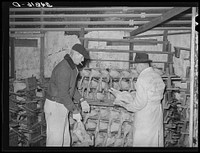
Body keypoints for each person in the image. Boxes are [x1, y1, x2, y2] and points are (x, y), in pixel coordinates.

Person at [109, 53, 165, 147]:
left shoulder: (142, 78)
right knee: (155, 141)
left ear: (141, 65)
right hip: (156, 113)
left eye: (136, 65)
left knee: (144, 142)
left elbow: (140, 103)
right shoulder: (157, 76)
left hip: (145, 116)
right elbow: (151, 95)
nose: (135, 68)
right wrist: (127, 95)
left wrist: (125, 105)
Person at [44, 43, 90, 146]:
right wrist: (74, 110)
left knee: (65, 140)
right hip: (55, 106)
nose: (82, 60)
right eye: (82, 57)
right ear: (76, 54)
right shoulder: (64, 68)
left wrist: (82, 100)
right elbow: (63, 94)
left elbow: (71, 89)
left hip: (62, 105)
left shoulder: (72, 67)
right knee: (55, 142)